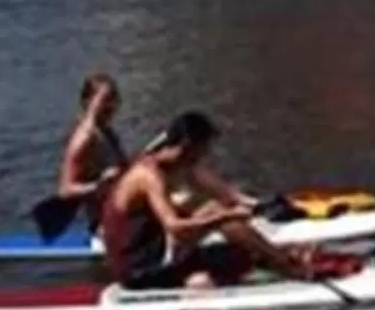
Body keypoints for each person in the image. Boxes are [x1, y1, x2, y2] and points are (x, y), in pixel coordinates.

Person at [95, 110, 354, 292]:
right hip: (138, 269)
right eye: (204, 149)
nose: (206, 155)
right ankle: (288, 265)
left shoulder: (177, 164)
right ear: (187, 145)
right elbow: (175, 228)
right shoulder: (148, 175)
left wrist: (249, 208)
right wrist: (226, 218)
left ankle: (279, 259)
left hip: (159, 254)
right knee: (214, 215)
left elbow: (215, 190)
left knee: (236, 249)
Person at [54, 72, 129, 220]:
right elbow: (65, 191)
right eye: (105, 100)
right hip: (102, 223)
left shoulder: (107, 132)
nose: (111, 105)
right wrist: (98, 186)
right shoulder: (84, 138)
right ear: (88, 101)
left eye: (114, 99)